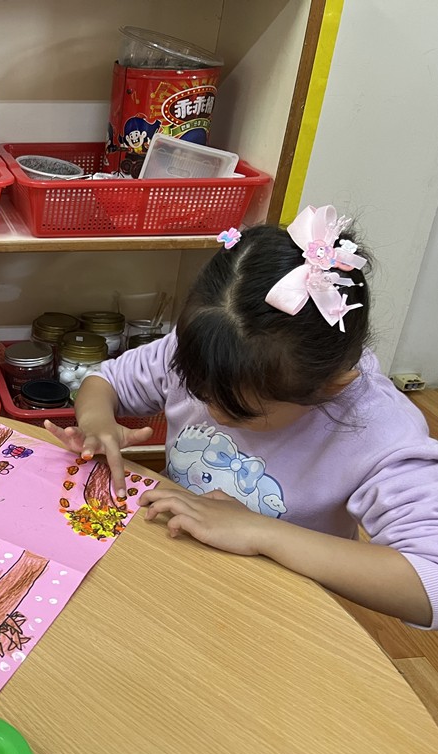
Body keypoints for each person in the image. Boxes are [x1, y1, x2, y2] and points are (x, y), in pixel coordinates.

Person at [48, 205, 438, 628]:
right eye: (198, 392)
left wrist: (258, 531)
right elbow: (104, 381)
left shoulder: (378, 427)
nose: (212, 412)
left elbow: (428, 583)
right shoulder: (210, 350)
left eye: (240, 411)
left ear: (330, 387)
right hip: (173, 566)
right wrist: (97, 423)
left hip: (276, 609)